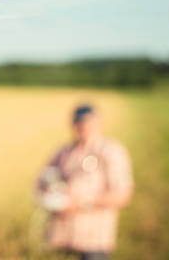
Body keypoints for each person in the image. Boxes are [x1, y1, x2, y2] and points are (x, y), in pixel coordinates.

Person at [35, 105, 133, 260]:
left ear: (100, 124)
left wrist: (81, 202)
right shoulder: (63, 152)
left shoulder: (110, 151)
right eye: (79, 122)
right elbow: (42, 181)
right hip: (62, 239)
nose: (84, 127)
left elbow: (122, 195)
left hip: (94, 241)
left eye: (88, 122)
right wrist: (51, 197)